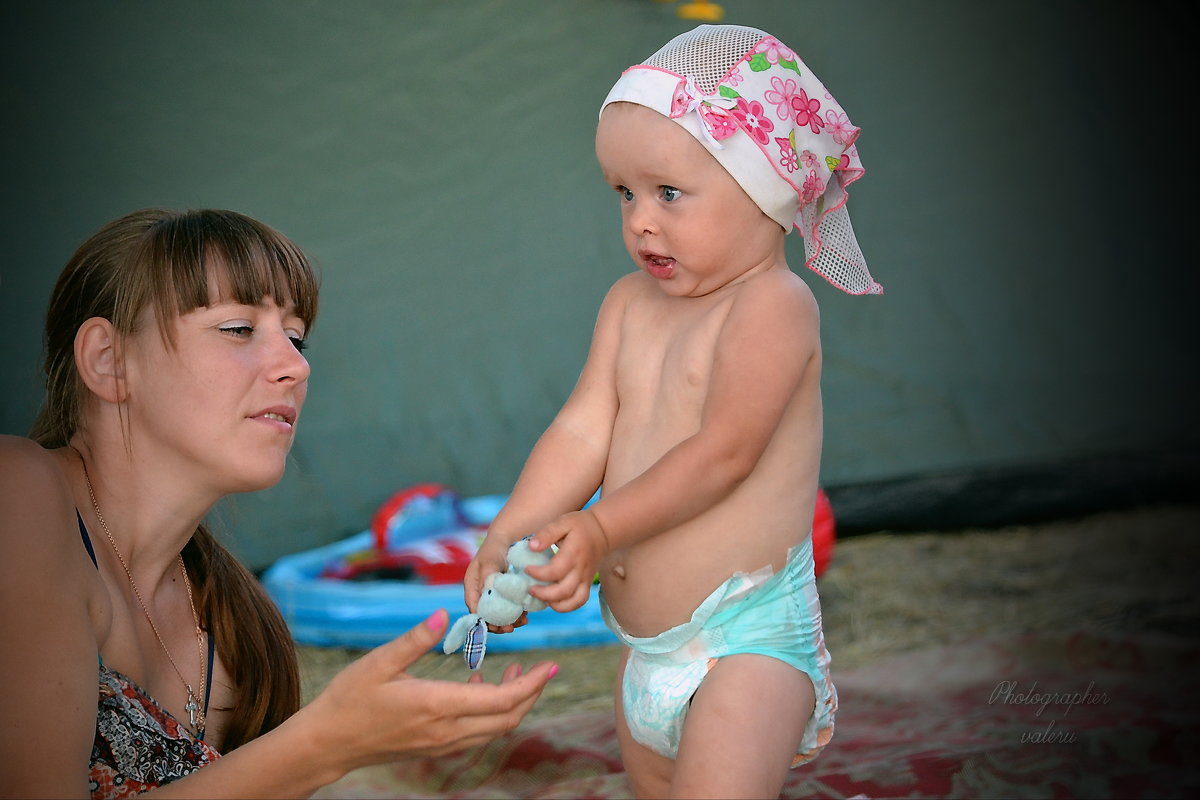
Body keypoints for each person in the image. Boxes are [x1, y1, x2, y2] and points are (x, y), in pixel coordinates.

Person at [0, 208, 559, 799]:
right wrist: (323, 745)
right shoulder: (20, 492)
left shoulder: (240, 630)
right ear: (108, 360)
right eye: (238, 329)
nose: (295, 366)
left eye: (295, 337)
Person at [463, 24, 880, 798]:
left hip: (745, 644)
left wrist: (598, 528)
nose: (640, 220)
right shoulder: (628, 304)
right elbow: (583, 427)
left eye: (669, 193)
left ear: (767, 189)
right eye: (624, 193)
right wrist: (510, 529)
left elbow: (726, 453)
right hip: (649, 655)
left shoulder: (772, 307)